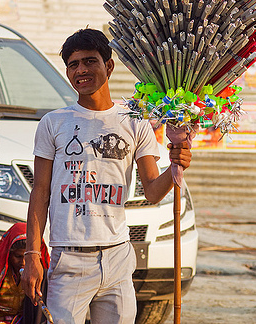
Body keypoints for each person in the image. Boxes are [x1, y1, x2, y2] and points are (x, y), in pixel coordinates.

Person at [21, 28, 194, 324]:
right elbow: (40, 191)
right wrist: (32, 255)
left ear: (109, 66)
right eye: (73, 64)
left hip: (117, 258)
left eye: (90, 61)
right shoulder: (53, 123)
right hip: (68, 259)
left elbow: (152, 191)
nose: (81, 70)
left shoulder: (135, 122)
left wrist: (176, 166)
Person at [0, 223, 49, 324]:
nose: (22, 263)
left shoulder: (40, 277)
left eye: (27, 258)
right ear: (9, 254)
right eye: (18, 256)